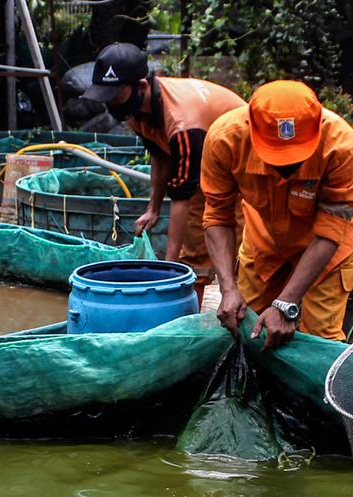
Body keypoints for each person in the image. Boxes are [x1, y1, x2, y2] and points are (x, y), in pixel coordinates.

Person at [200, 79, 353, 348]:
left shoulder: (341, 147)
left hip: (327, 249)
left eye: (295, 158)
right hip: (264, 239)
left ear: (318, 128)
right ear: (251, 130)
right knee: (243, 323)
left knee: (319, 338)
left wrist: (286, 302)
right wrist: (228, 288)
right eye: (275, 155)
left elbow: (330, 230)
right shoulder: (225, 140)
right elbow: (218, 215)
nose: (285, 168)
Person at [81, 43, 246, 308]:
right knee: (194, 239)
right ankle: (188, 316)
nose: (110, 103)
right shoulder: (135, 110)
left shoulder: (182, 122)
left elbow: (181, 197)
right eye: (106, 95)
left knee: (240, 244)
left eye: (115, 94)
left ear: (142, 87)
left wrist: (168, 269)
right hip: (207, 156)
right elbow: (161, 155)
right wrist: (153, 209)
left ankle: (243, 312)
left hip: (242, 162)